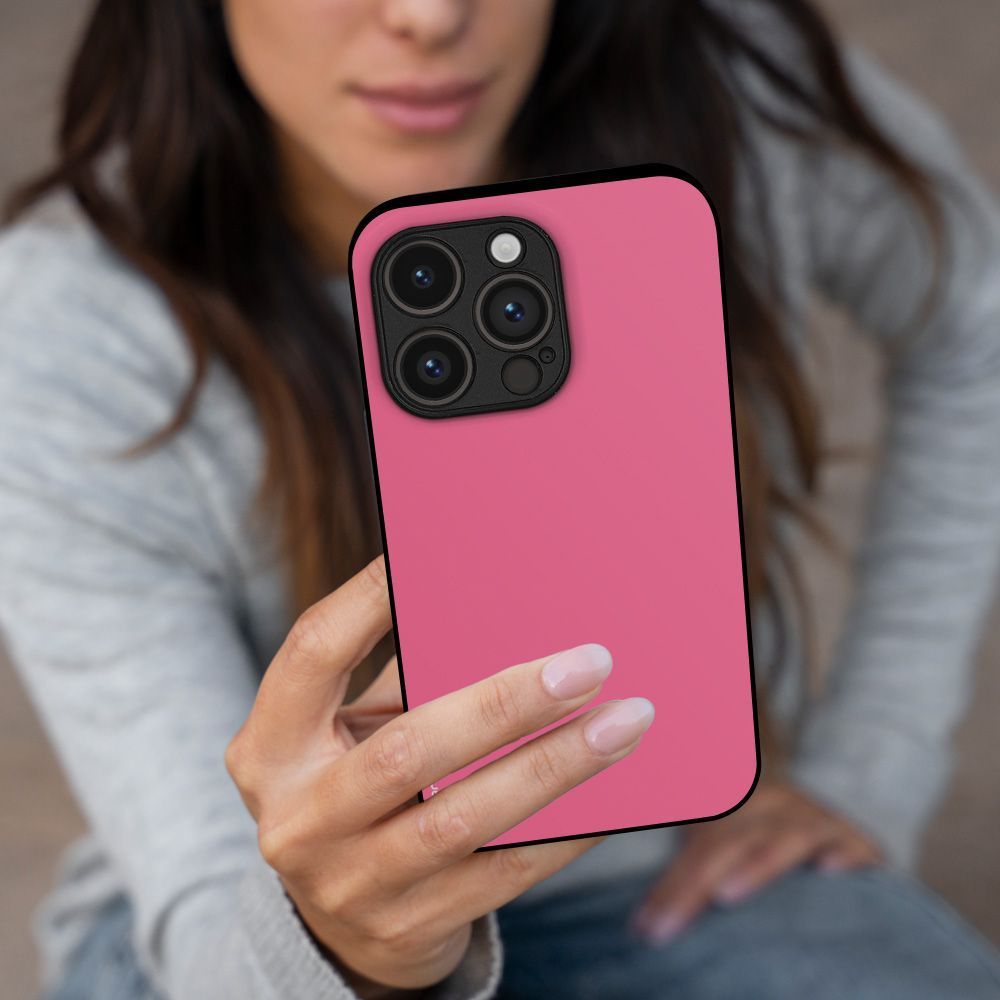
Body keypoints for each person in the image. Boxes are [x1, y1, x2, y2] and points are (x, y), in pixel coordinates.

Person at [2, 1, 1000, 997]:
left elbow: (973, 325)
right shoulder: (73, 329)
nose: (430, 17)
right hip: (266, 929)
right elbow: (209, 936)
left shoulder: (735, 97)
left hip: (673, 863)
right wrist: (345, 941)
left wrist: (868, 766)